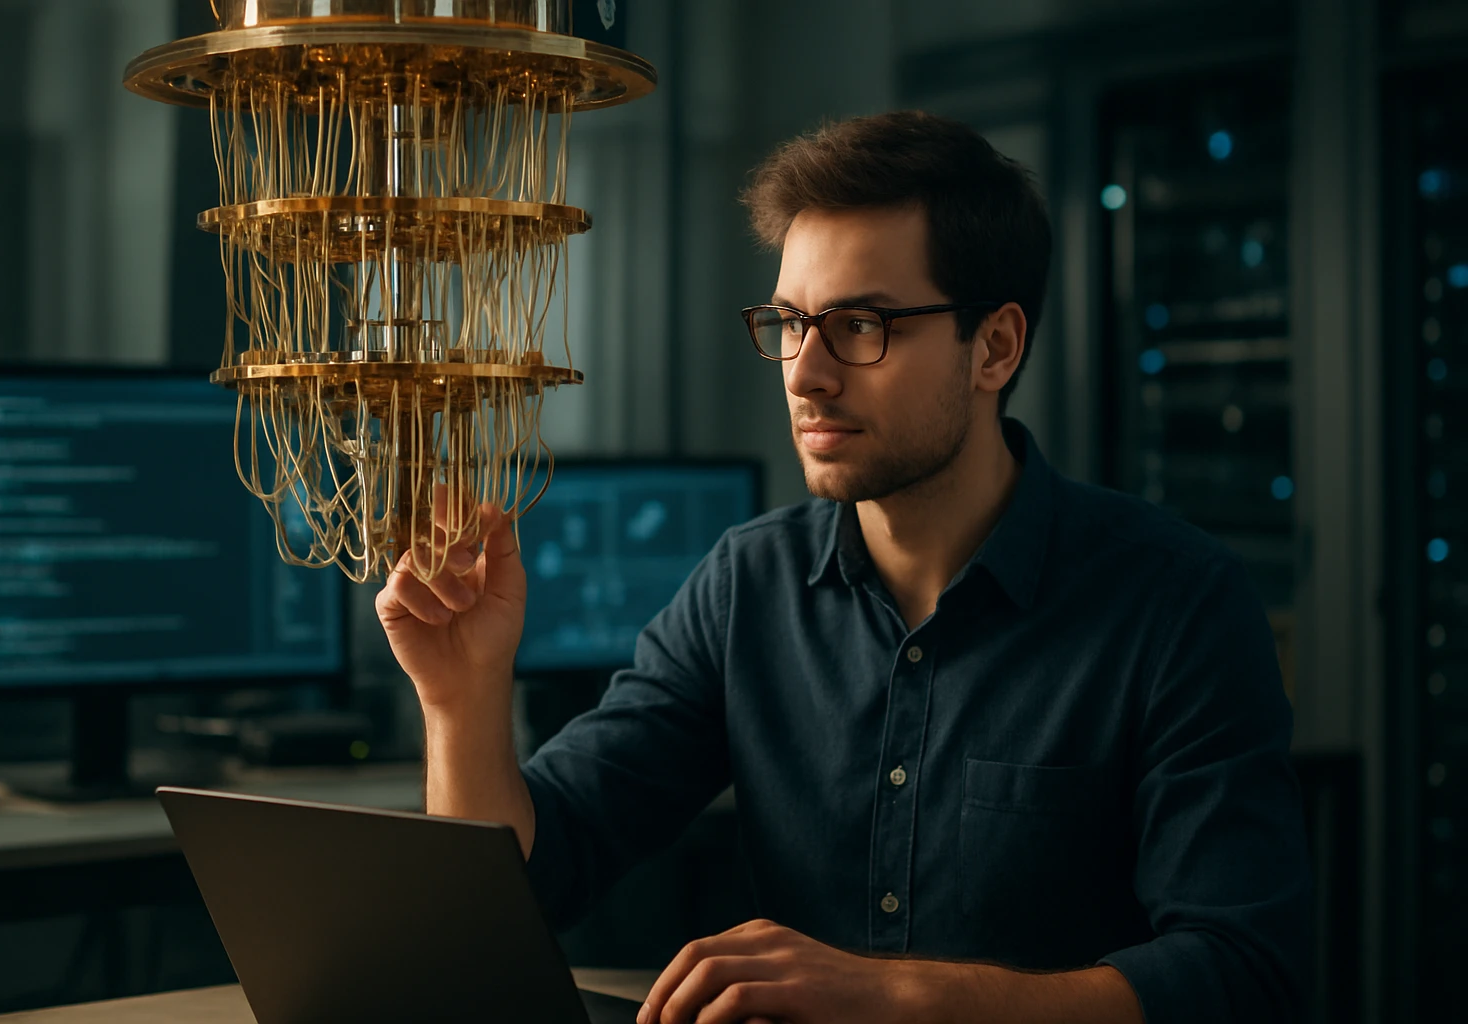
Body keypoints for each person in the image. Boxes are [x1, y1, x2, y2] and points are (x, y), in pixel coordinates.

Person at [375, 110, 1311, 1024]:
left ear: (994, 347)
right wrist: (461, 698)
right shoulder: (748, 586)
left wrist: (894, 995)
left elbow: (1240, 975)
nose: (805, 372)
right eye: (789, 322)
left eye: (861, 324)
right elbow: (529, 879)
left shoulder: (1177, 603)